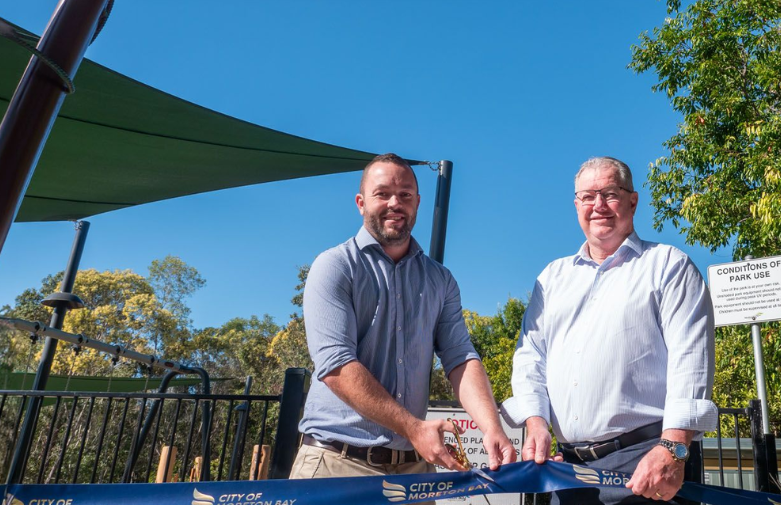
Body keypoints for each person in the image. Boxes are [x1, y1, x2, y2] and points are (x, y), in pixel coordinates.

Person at [501, 157, 715, 504]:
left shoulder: (668, 266)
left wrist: (673, 450)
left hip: (645, 464)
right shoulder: (552, 279)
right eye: (588, 196)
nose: (598, 205)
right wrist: (536, 424)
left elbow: (691, 361)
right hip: (566, 471)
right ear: (576, 205)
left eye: (610, 194)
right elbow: (530, 357)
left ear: (632, 201)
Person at [292, 153, 516, 479]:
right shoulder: (335, 266)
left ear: (418, 203)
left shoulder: (441, 280)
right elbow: (336, 365)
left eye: (406, 195)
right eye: (382, 194)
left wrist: (492, 426)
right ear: (360, 202)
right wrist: (413, 428)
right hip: (337, 462)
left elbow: (460, 358)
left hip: (412, 469)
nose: (395, 203)